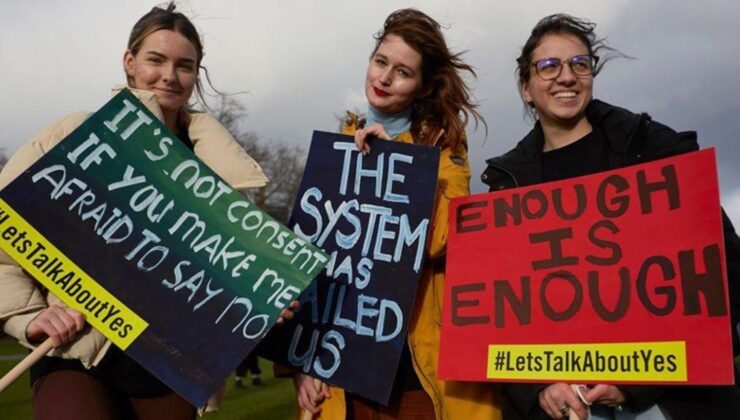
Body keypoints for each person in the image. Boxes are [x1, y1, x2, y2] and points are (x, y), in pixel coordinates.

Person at [0, 3, 294, 419]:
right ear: (130, 62)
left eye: (184, 65)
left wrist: (260, 297)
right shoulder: (72, 137)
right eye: (156, 60)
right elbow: (4, 234)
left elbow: (231, 271)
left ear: (197, 74)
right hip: (74, 351)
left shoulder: (216, 168)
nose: (169, 76)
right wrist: (28, 318)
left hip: (171, 365)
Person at [480, 13, 740, 420]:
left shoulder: (655, 150)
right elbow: (494, 316)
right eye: (548, 66)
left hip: (663, 402)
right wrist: (536, 386)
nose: (566, 76)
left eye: (579, 64)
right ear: (525, 88)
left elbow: (723, 271)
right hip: (560, 405)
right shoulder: (506, 186)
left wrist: (635, 382)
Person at [291, 8, 502, 420]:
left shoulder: (445, 148)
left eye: (402, 72)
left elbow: (443, 239)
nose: (384, 78)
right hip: (342, 370)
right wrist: (301, 359)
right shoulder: (337, 147)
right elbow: (310, 257)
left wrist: (397, 161)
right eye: (381, 61)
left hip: (413, 374)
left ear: (423, 87)